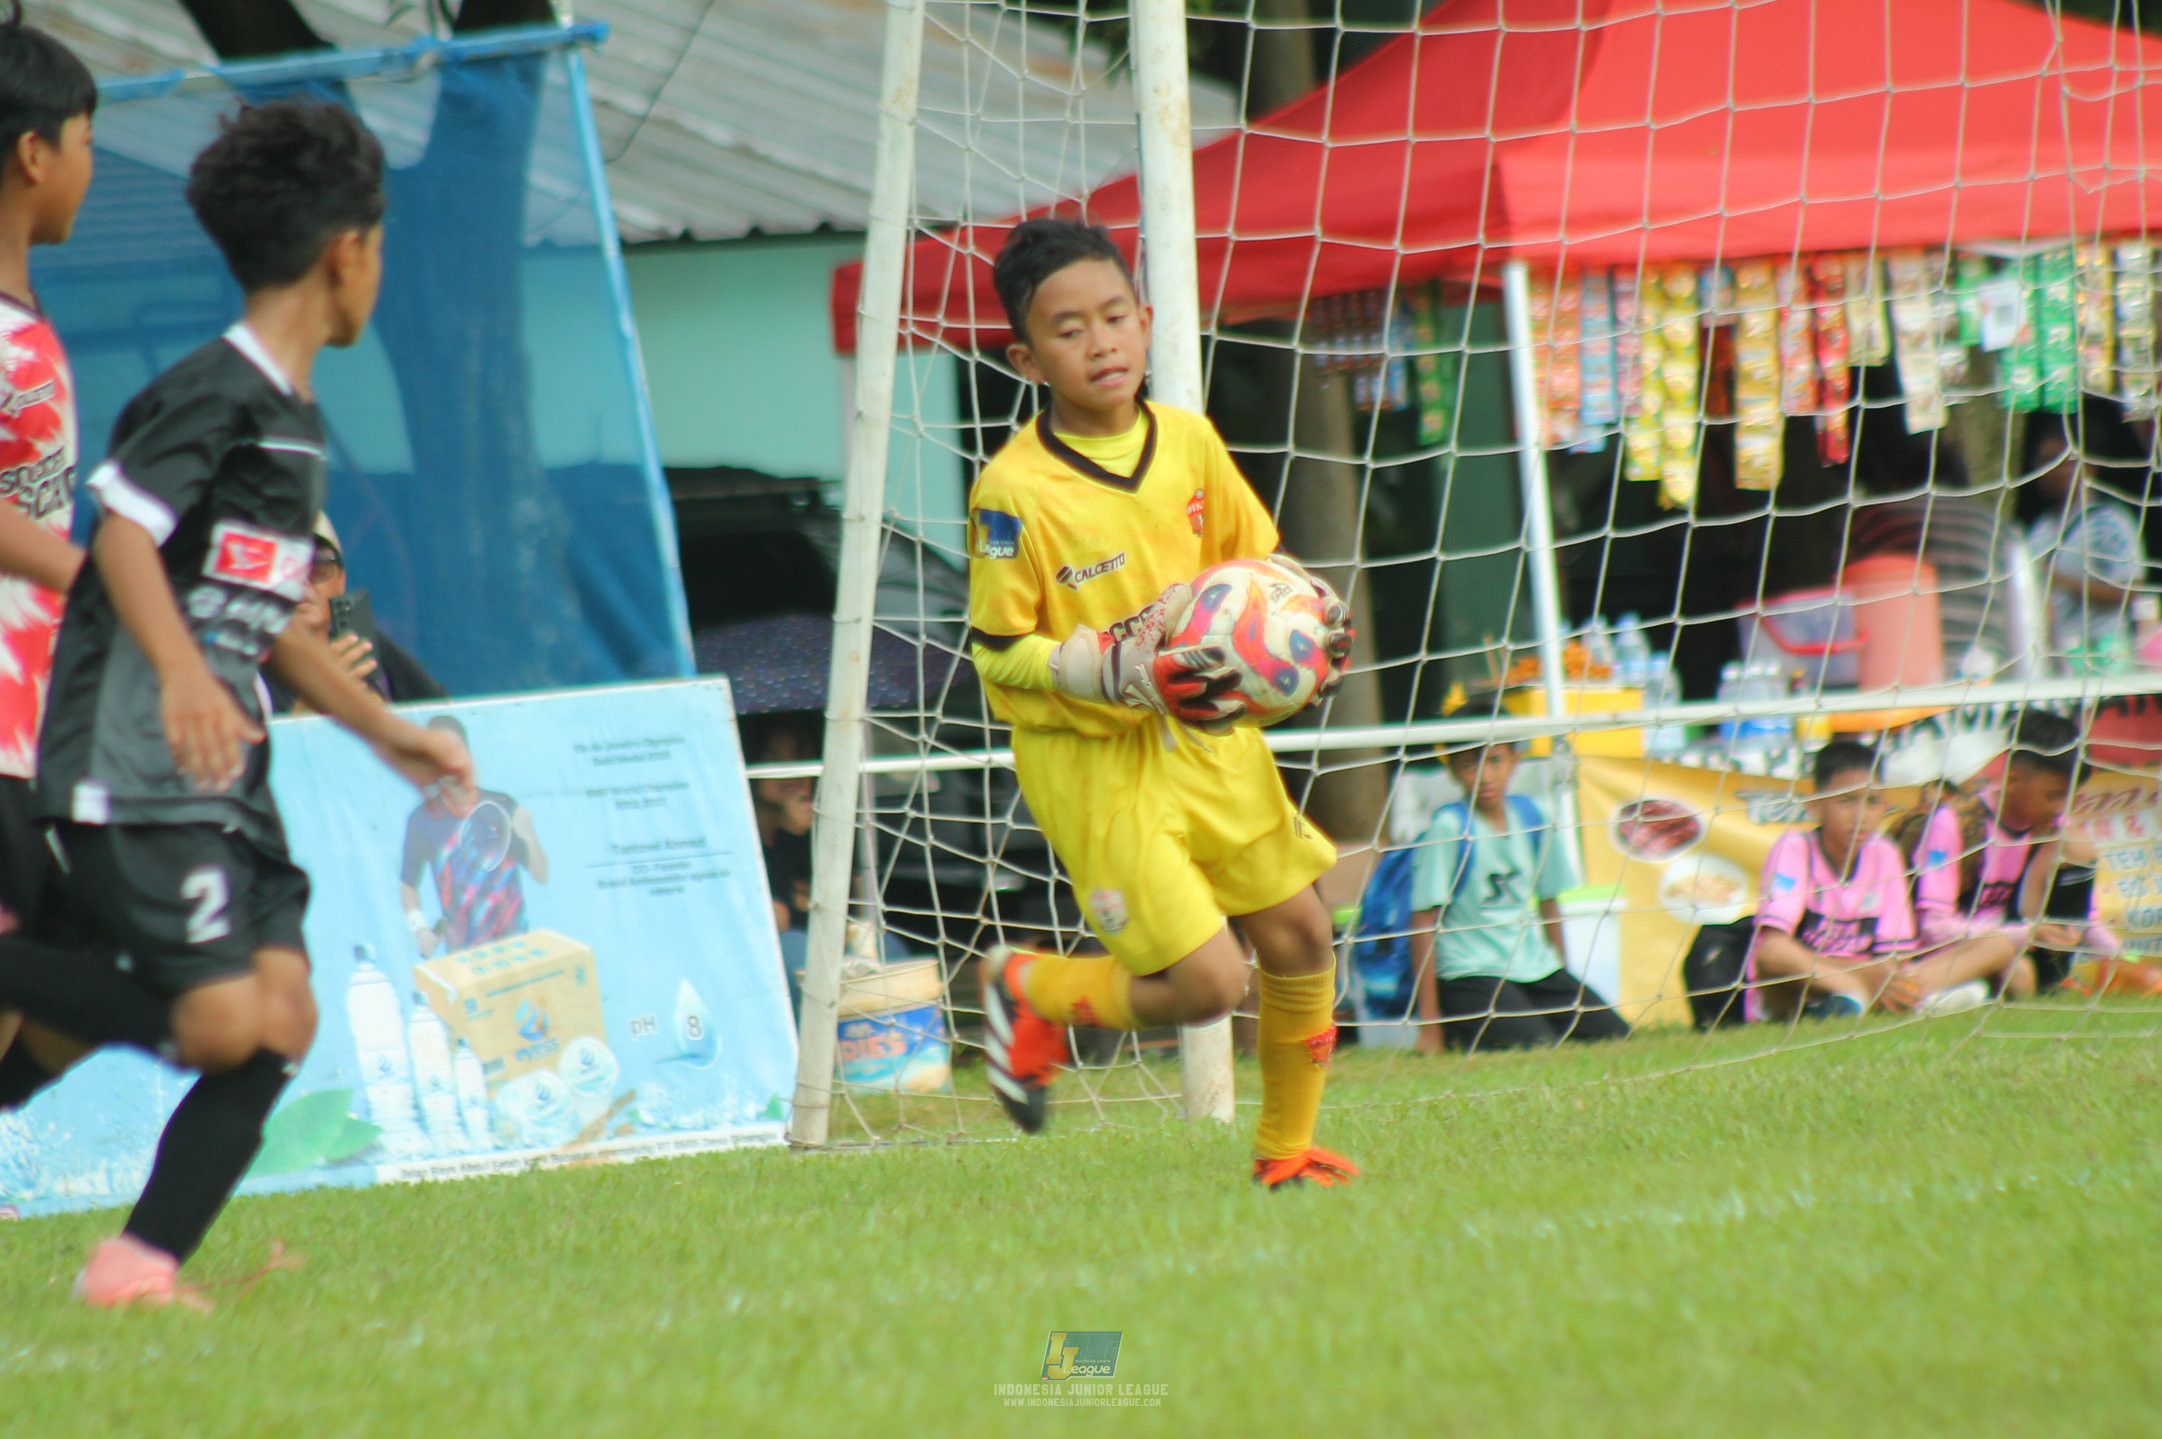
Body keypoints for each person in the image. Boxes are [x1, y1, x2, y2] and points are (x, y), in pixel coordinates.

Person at [33, 100, 472, 1307]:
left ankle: (138, 1264)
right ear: (350, 251)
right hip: (133, 755)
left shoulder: (292, 422)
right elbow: (123, 534)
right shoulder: (214, 392)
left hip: (225, 774)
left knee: (282, 1017)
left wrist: (384, 728)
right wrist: (181, 671)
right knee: (225, 1021)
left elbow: (269, 613)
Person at [963, 218, 1356, 1187]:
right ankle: (1028, 986)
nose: (1098, 343)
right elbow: (995, 651)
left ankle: (1284, 1154)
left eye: (1111, 317)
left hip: (1207, 739)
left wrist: (1310, 622)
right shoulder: (1014, 491)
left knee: (1303, 932)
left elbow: (1258, 565)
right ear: (1024, 356)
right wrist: (1111, 670)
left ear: (1144, 321)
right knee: (1207, 983)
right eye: (1067, 329)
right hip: (1099, 765)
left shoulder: (1186, 440)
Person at [1405, 694, 1628, 1053]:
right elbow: (1422, 920)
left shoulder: (1534, 818)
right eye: (1469, 765)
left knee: (1613, 1034)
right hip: (1471, 973)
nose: (1485, 776)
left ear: (1515, 759)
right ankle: (1461, 1026)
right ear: (1451, 769)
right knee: (1538, 1046)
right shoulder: (1449, 827)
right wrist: (1429, 1024)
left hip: (1533, 968)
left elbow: (1549, 902)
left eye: (1495, 761)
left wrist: (1561, 977)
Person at [1900, 708, 2112, 1010]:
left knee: (2078, 846)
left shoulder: (2056, 831)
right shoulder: (1956, 824)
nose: (2060, 808)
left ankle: (1969, 997)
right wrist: (2020, 934)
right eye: (2053, 795)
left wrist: (2121, 958)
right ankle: (1923, 993)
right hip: (1949, 955)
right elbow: (1933, 927)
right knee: (2010, 963)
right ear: (2012, 779)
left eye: (2069, 797)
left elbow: (2087, 921)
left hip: (2013, 952)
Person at [1748, 740, 1921, 1020]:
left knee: (1992, 947)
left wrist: (1881, 977)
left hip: (1869, 980)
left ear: (1885, 806)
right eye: (1846, 801)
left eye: (1872, 802)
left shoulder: (1885, 853)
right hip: (1798, 989)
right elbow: (1771, 951)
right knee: (1776, 951)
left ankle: (1922, 999)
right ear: (1816, 805)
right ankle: (1852, 998)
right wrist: (1853, 977)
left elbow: (1895, 957)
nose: (1860, 816)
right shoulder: (1795, 848)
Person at [399, 714, 547, 957]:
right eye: (438, 754)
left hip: (517, 952)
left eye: (453, 751)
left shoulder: (504, 806)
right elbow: (408, 885)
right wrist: (421, 929)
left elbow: (541, 875)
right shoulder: (421, 821)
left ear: (467, 754)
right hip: (463, 962)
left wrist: (528, 834)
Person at [272, 512, 445, 710]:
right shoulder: (246, 666)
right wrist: (318, 694)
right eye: (286, 569)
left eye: (318, 565)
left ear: (341, 581)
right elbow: (256, 740)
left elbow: (442, 714)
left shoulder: (362, 644)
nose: (302, 582)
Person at [2019, 416, 2144, 665]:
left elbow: (2129, 590)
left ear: (2088, 467)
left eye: (2058, 461)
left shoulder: (2110, 521)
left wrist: (2059, 580)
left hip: (2103, 655)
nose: (2047, 470)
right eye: (2042, 461)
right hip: (2055, 656)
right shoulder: (2039, 529)